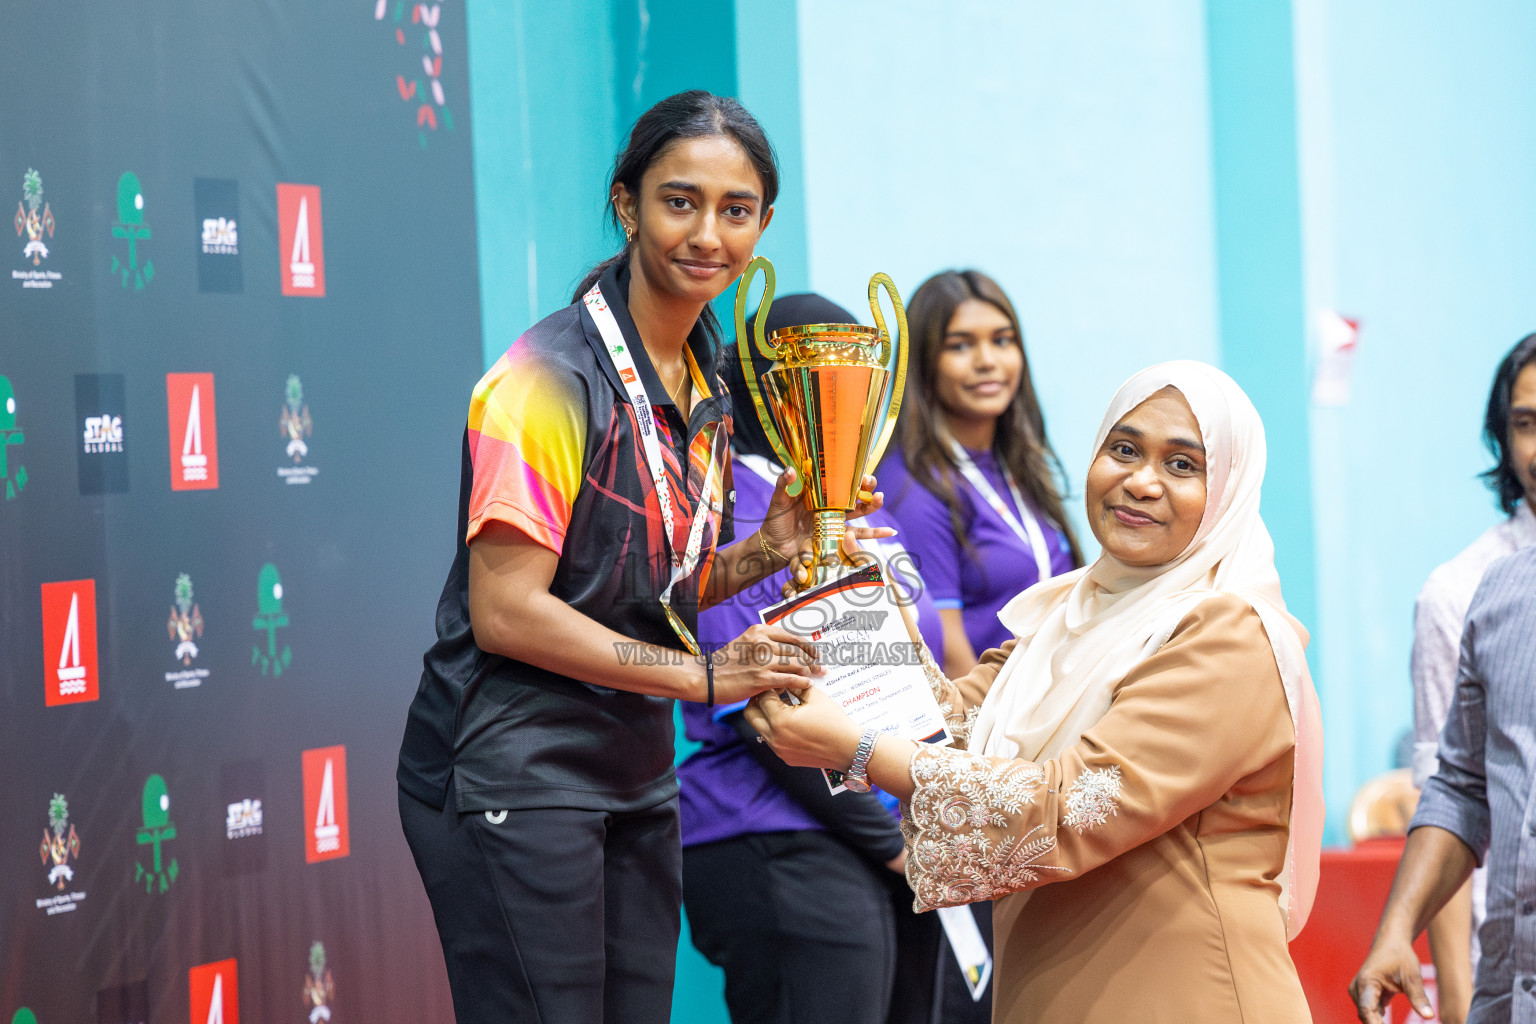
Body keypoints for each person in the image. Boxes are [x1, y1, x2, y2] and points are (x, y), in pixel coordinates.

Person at [395, 91, 886, 1024]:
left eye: (735, 211)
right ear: (627, 205)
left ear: (763, 225)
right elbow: (510, 610)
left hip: (631, 771)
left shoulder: (705, 379)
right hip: (516, 769)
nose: (707, 234)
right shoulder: (545, 379)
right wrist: (704, 675)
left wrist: (765, 553)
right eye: (679, 201)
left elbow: (643, 589)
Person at [748, 361, 1327, 1024]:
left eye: (1183, 465)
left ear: (1227, 490)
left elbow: (1076, 807)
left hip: (1186, 993)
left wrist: (862, 751)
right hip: (1055, 987)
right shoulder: (1068, 614)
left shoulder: (1228, 631)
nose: (1140, 481)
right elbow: (958, 730)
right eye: (1125, 449)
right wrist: (857, 605)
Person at [679, 292, 947, 1024]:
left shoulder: (859, 504)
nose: (841, 399)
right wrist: (893, 845)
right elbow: (764, 707)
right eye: (819, 377)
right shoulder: (732, 505)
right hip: (777, 829)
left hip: (892, 822)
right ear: (773, 391)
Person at [1352, 340, 1536, 1024]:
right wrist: (1399, 933)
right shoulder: (1485, 593)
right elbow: (1457, 786)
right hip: (1509, 974)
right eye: (1524, 422)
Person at [1408, 333, 1536, 1023]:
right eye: (1525, 423)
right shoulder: (1458, 591)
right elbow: (1451, 789)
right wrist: (1455, 999)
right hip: (1508, 960)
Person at [876, 269, 1081, 679]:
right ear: (925, 363)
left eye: (1002, 340)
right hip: (990, 726)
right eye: (960, 346)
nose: (988, 361)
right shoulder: (913, 488)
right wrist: (990, 741)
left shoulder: (1018, 465)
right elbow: (948, 658)